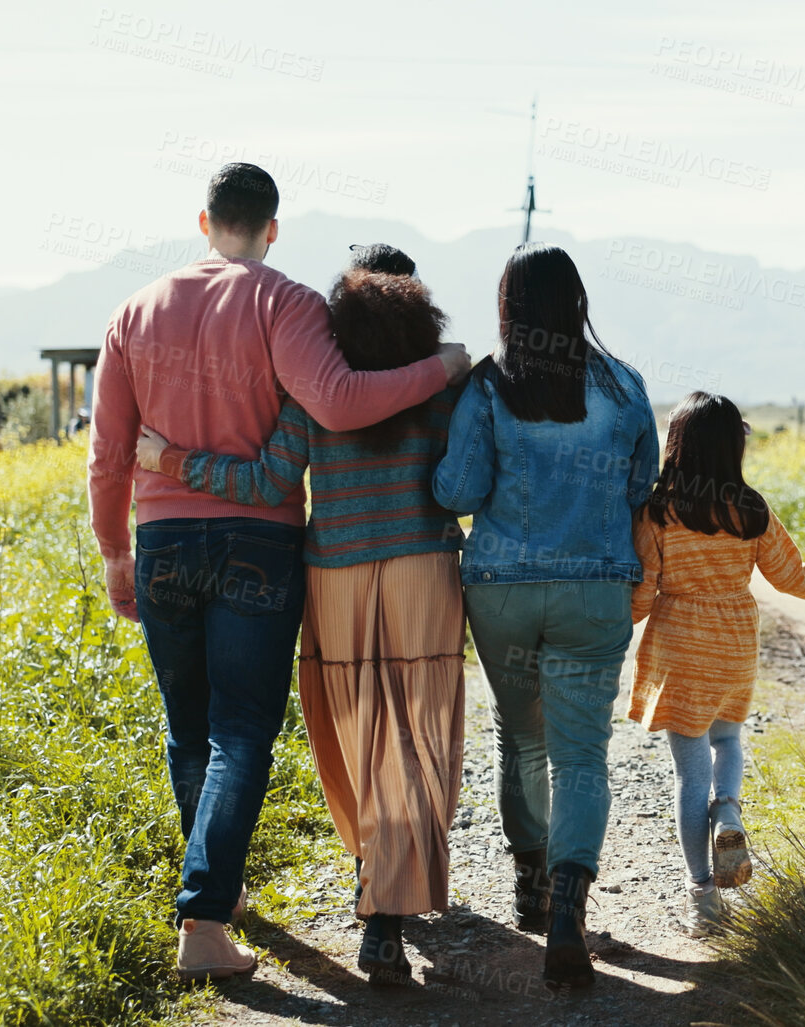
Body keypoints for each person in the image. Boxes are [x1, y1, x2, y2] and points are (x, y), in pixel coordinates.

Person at [87, 164, 470, 981]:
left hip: (167, 540)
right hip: (262, 545)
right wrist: (442, 370)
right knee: (246, 732)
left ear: (202, 220)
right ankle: (214, 909)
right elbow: (339, 404)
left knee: (190, 728)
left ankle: (213, 894)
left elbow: (106, 451)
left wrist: (115, 550)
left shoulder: (132, 310)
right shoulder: (285, 303)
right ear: (271, 227)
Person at [432, 242, 658, 989]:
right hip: (594, 588)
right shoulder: (625, 387)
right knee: (582, 754)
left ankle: (529, 878)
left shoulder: (487, 389)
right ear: (577, 303)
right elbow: (640, 488)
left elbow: (458, 492)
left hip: (500, 586)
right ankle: (567, 909)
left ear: (509, 309)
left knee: (521, 735)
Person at [628, 391, 805, 936]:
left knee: (687, 772)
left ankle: (702, 897)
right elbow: (801, 582)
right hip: (735, 645)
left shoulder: (658, 512)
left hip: (680, 647)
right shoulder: (751, 510)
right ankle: (729, 811)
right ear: (732, 447)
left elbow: (640, 600)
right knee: (727, 742)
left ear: (677, 445)